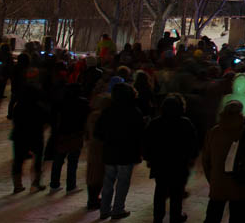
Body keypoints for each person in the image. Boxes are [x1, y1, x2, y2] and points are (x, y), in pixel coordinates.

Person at [202, 100, 245, 223]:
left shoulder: (213, 132)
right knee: (238, 218)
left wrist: (213, 179)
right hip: (240, 186)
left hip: (218, 185)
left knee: (213, 217)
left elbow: (206, 160)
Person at [144, 94, 198, 223]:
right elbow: (193, 143)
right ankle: (175, 216)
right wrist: (191, 157)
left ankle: (158, 217)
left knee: (160, 192)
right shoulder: (185, 123)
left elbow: (147, 143)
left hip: (160, 164)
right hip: (179, 164)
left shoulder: (155, 123)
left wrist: (148, 159)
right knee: (176, 193)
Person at [95, 82, 145, 220]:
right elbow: (140, 134)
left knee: (108, 181)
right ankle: (118, 209)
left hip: (110, 151)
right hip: (127, 153)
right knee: (123, 182)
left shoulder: (107, 111)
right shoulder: (134, 112)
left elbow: (98, 132)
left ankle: (104, 209)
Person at [49, 83, 89, 193]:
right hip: (76, 134)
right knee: (73, 161)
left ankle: (54, 184)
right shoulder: (83, 102)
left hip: (61, 134)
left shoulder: (60, 102)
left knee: (58, 160)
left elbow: (53, 117)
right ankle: (71, 186)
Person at [11, 84, 49, 194]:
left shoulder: (18, 106)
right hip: (36, 135)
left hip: (19, 135)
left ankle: (17, 185)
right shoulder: (40, 107)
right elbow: (46, 121)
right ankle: (35, 183)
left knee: (18, 160)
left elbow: (15, 120)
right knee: (37, 160)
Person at [85, 94, 111, 211]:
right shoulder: (104, 117)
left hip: (92, 148)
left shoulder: (92, 115)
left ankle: (92, 199)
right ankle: (94, 200)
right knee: (99, 175)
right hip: (101, 148)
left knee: (92, 174)